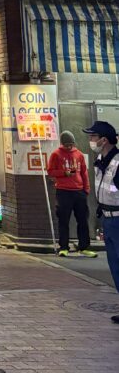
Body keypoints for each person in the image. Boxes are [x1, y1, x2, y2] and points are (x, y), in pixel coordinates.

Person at [86, 120, 119, 322]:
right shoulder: (100, 160)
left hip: (118, 219)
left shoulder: (118, 162)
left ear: (104, 140)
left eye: (93, 137)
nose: (90, 140)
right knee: (115, 266)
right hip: (107, 219)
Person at [47, 130, 95, 258]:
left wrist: (86, 189)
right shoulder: (56, 154)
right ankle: (63, 247)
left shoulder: (79, 154)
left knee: (83, 220)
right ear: (62, 143)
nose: (69, 147)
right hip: (63, 192)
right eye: (67, 144)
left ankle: (84, 247)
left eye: (71, 144)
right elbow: (51, 171)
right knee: (63, 220)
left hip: (79, 192)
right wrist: (64, 173)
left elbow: (84, 172)